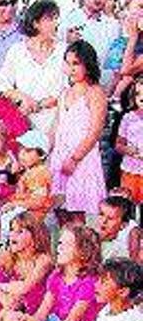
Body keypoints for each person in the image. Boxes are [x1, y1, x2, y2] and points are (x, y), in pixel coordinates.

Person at [0, 224, 103, 321]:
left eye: (67, 245)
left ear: (83, 252)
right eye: (60, 243)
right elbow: (41, 315)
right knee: (10, 316)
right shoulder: (57, 275)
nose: (59, 248)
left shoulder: (89, 282)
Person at [49, 40, 107, 221]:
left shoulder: (95, 92)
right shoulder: (64, 93)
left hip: (83, 159)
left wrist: (75, 158)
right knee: (60, 211)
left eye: (76, 63)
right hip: (60, 155)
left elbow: (95, 131)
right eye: (68, 63)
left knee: (79, 215)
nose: (71, 68)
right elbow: (55, 127)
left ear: (88, 65)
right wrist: (46, 153)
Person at [0, 0, 65, 134]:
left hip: (57, 127)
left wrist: (39, 105)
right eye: (50, 19)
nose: (56, 23)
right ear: (35, 23)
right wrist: (22, 97)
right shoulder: (17, 51)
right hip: (22, 127)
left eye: (56, 18)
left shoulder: (64, 51)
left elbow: (70, 89)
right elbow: (2, 87)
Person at [59, 0, 121, 87]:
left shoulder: (115, 27)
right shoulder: (65, 21)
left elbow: (115, 66)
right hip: (72, 95)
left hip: (104, 94)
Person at [0, 129, 54, 240]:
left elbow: (39, 201)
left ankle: (3, 244)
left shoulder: (39, 173)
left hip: (34, 212)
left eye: (28, 151)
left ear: (41, 155)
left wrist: (16, 204)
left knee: (7, 219)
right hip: (25, 207)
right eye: (21, 150)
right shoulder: (29, 170)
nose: (22, 154)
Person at [116, 76, 143, 204]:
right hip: (130, 171)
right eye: (138, 94)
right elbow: (118, 144)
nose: (142, 98)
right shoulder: (128, 118)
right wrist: (128, 149)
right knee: (129, 205)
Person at [96, 195, 143, 262]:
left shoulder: (131, 234)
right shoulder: (95, 233)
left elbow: (135, 262)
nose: (103, 221)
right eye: (101, 214)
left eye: (110, 218)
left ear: (123, 225)